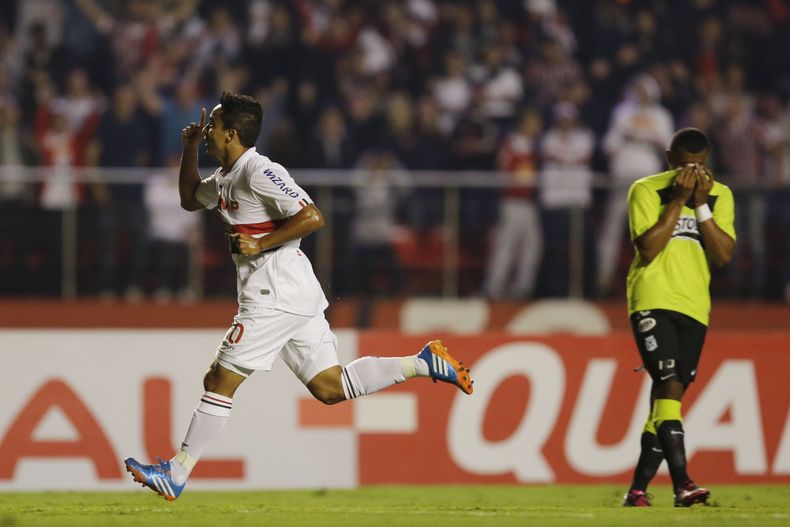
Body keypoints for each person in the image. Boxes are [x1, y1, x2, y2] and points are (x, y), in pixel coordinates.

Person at [123, 92, 474, 501]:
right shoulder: (224, 177)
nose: (207, 133)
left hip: (274, 292)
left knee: (218, 378)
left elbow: (311, 214)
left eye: (213, 126)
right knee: (330, 387)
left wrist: (261, 244)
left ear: (232, 133)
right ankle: (422, 362)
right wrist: (187, 149)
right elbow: (188, 200)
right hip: (291, 292)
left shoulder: (259, 170)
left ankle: (177, 472)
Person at [622, 128, 735, 507]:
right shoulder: (646, 190)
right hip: (652, 299)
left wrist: (701, 206)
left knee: (667, 401)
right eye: (687, 165)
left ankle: (637, 490)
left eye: (701, 165)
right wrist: (679, 202)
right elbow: (649, 248)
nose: (695, 172)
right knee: (669, 384)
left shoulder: (721, 196)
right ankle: (683, 484)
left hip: (694, 305)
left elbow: (722, 256)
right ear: (669, 159)